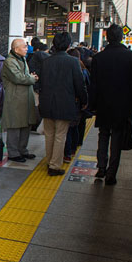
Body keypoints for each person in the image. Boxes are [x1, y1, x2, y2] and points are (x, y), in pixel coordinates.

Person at [90, 24, 132, 185]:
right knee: (117, 139)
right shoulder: (131, 56)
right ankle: (111, 173)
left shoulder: (99, 58)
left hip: (103, 105)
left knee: (103, 135)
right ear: (121, 37)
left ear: (107, 37)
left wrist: (92, 105)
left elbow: (94, 85)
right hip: (123, 106)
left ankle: (101, 168)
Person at [38, 32, 87, 176]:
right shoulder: (73, 62)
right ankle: (54, 165)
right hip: (65, 104)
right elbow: (80, 84)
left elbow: (41, 83)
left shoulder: (46, 62)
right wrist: (84, 101)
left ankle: (50, 160)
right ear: (68, 45)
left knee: (49, 134)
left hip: (47, 103)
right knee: (60, 135)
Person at [1, 39, 39, 162]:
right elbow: (18, 78)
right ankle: (13, 153)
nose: (26, 49)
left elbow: (24, 76)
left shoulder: (22, 59)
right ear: (16, 49)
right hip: (15, 99)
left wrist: (30, 77)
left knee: (25, 125)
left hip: (25, 99)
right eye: (24, 47)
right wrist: (32, 78)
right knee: (15, 126)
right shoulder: (9, 62)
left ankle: (23, 150)